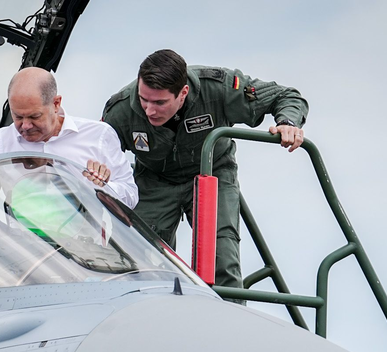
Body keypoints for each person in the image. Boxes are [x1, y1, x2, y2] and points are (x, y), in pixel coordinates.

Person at [102, 49, 309, 291]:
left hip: (211, 173)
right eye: (143, 100)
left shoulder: (218, 88)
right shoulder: (121, 109)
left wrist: (288, 123)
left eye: (159, 102)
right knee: (141, 258)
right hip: (155, 180)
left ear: (183, 93)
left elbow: (286, 96)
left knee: (221, 256)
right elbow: (98, 150)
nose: (149, 110)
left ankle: (227, 322)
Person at [0, 67, 138, 209]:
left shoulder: (98, 135)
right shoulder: (1, 141)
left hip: (87, 252)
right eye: (17, 116)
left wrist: (102, 187)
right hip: (23, 249)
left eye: (34, 116)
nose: (25, 126)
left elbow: (130, 197)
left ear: (56, 104)